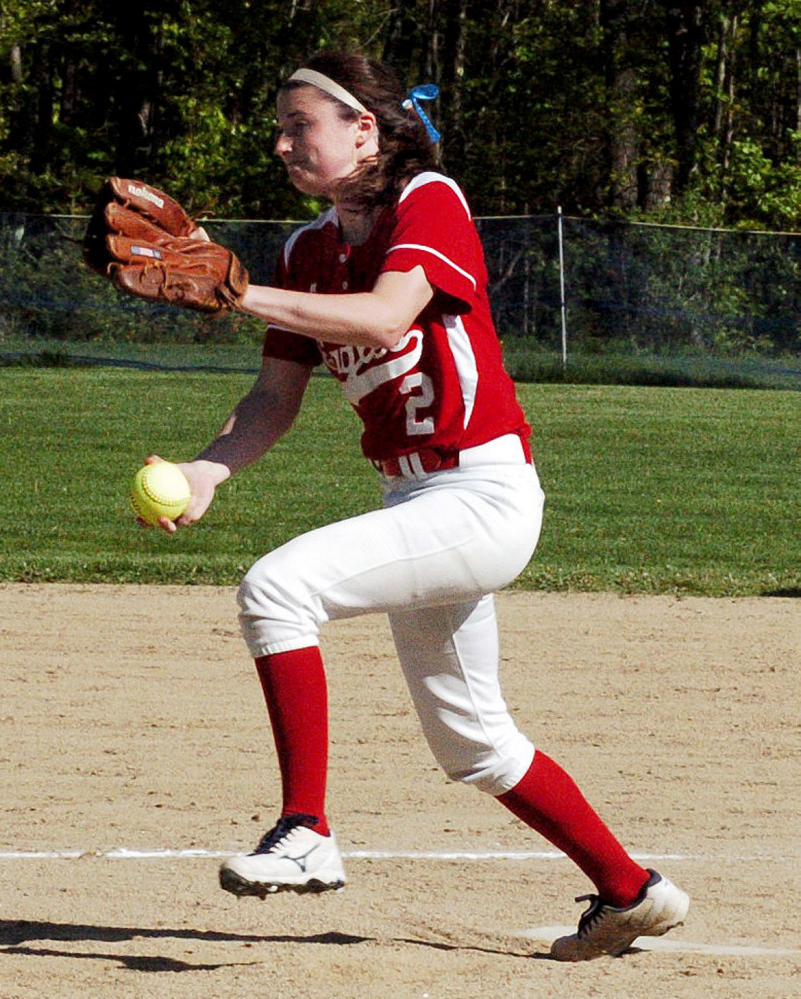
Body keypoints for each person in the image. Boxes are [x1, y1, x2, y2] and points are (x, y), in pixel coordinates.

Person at [145, 51, 689, 961]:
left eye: (299, 125)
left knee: (277, 589)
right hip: (415, 497)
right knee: (475, 746)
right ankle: (631, 891)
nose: (283, 144)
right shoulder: (304, 253)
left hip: (482, 491)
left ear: (364, 130)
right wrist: (208, 469)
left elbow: (386, 316)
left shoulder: (427, 199)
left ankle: (306, 828)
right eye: (279, 129)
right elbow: (276, 398)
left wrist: (235, 291)